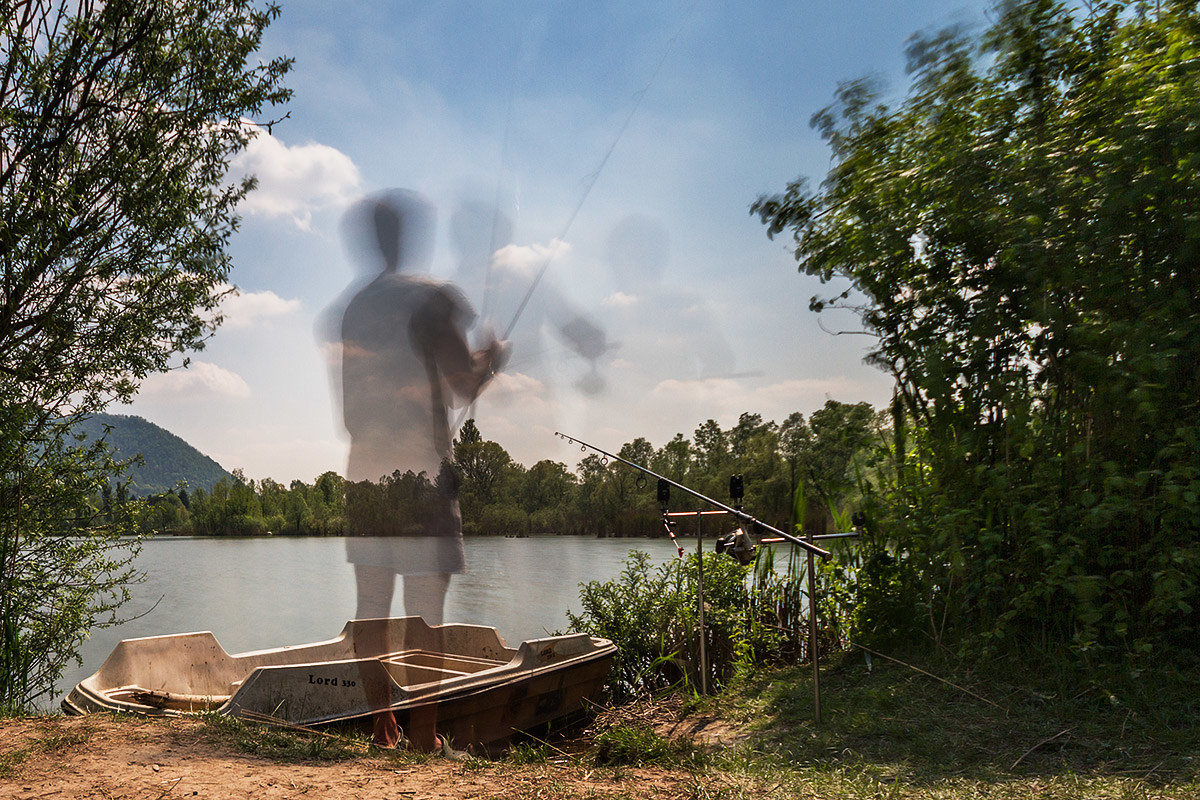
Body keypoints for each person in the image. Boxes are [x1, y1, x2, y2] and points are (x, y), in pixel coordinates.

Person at [333, 189, 508, 749]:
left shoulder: (352, 309)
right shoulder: (432, 299)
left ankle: (381, 723)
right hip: (422, 473)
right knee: (424, 610)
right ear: (406, 238)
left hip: (364, 471)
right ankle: (424, 736)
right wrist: (492, 360)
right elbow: (462, 385)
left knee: (370, 605)